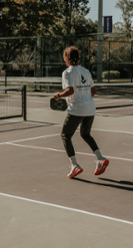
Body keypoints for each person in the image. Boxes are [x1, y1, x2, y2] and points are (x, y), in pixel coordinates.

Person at [53, 46, 109, 178]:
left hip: (76, 109)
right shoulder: (86, 71)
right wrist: (85, 99)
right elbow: (93, 91)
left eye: (64, 56)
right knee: (85, 134)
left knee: (65, 135)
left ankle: (74, 165)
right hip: (90, 108)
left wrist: (59, 95)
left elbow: (70, 91)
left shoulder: (67, 73)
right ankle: (100, 158)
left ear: (67, 58)